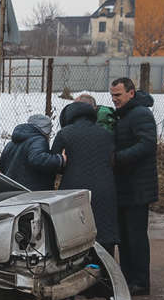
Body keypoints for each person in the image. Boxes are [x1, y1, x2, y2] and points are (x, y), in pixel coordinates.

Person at [51, 101, 119, 256]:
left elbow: (55, 163)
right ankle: (106, 274)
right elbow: (113, 160)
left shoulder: (65, 134)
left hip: (73, 190)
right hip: (105, 189)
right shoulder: (106, 134)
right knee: (103, 232)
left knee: (75, 235)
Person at [111, 77, 158, 296]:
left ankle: (140, 281)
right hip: (124, 185)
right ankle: (129, 279)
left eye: (118, 95)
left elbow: (147, 144)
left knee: (136, 236)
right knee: (124, 236)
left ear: (131, 93)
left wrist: (119, 158)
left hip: (138, 187)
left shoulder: (140, 114)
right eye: (112, 96)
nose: (114, 100)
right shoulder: (124, 114)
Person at [0, 114, 65, 191]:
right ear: (45, 129)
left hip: (12, 188)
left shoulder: (11, 143)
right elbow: (38, 159)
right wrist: (60, 159)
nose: (49, 135)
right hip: (32, 191)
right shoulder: (38, 140)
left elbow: (2, 165)